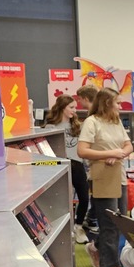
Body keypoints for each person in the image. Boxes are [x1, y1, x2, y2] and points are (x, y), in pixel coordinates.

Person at [78, 88, 133, 267]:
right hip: (102, 177)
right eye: (117, 102)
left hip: (119, 176)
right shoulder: (91, 122)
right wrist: (107, 155)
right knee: (109, 223)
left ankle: (96, 247)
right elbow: (82, 151)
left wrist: (121, 153)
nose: (120, 106)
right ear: (106, 103)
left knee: (120, 221)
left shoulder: (116, 121)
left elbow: (128, 145)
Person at [43, 95, 90, 244]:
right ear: (63, 107)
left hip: (77, 165)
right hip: (60, 166)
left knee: (84, 197)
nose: (74, 111)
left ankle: (78, 226)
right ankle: (66, 228)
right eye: (71, 107)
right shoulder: (50, 126)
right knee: (64, 199)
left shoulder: (78, 126)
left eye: (75, 107)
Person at [76, 85, 100, 233]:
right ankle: (91, 218)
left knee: (94, 193)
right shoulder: (92, 117)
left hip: (93, 163)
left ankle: (91, 218)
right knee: (93, 193)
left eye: (79, 99)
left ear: (85, 98)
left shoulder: (92, 118)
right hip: (92, 162)